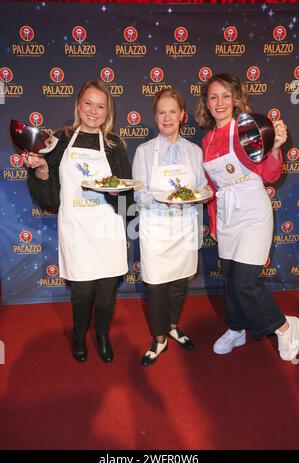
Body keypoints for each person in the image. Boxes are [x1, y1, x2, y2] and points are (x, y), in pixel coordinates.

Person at [24, 80, 133, 364]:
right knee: (83, 293)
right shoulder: (59, 141)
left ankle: (102, 335)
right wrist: (42, 169)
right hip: (76, 229)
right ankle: (78, 335)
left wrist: (114, 192)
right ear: (77, 105)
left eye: (100, 106)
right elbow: (49, 197)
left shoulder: (113, 145)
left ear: (108, 111)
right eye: (88, 103)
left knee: (107, 294)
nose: (93, 111)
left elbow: (126, 198)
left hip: (106, 228)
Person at [195, 72, 299, 364]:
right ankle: (236, 329)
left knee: (245, 282)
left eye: (225, 96)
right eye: (213, 96)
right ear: (207, 102)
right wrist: (215, 223)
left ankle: (287, 326)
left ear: (235, 99)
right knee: (230, 279)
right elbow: (214, 187)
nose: (219, 102)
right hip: (227, 216)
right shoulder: (207, 140)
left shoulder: (249, 128)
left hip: (254, 212)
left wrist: (276, 147)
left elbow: (270, 174)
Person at [132, 88, 208, 366]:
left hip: (185, 226)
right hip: (155, 228)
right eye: (161, 112)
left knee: (178, 283)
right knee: (156, 287)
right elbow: (138, 193)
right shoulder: (143, 152)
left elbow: (202, 188)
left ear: (182, 116)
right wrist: (165, 200)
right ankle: (159, 337)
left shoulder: (194, 151)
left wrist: (193, 196)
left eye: (172, 111)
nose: (167, 117)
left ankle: (173, 326)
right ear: (155, 117)